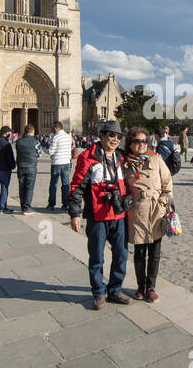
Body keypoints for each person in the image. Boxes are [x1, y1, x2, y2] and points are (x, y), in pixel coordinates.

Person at [69, 121, 132, 309]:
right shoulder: (88, 157)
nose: (114, 139)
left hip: (118, 214)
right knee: (97, 256)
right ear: (102, 135)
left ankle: (115, 289)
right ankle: (98, 292)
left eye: (118, 137)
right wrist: (75, 213)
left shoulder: (121, 158)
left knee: (121, 254)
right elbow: (76, 187)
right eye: (111, 135)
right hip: (97, 215)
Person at [122, 126, 173, 303]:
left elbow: (167, 181)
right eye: (137, 141)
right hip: (137, 211)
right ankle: (140, 285)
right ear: (130, 143)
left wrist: (164, 201)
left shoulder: (156, 158)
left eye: (144, 141)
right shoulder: (125, 162)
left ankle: (151, 286)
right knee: (139, 251)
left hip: (156, 210)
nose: (142, 144)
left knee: (155, 251)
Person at [47, 120, 74, 211]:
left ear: (56, 128)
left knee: (53, 184)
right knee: (66, 184)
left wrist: (43, 149)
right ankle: (65, 204)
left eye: (52, 128)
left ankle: (51, 204)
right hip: (66, 162)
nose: (52, 130)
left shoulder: (55, 138)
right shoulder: (68, 137)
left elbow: (51, 151)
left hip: (57, 163)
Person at [14, 124, 41, 214]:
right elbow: (38, 154)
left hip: (21, 167)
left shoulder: (18, 141)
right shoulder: (35, 142)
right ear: (32, 132)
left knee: (22, 187)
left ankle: (23, 206)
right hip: (31, 167)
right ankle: (26, 207)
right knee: (29, 188)